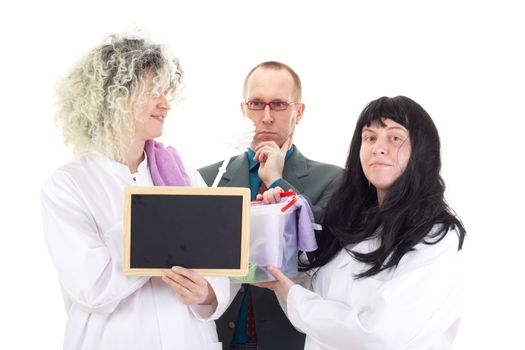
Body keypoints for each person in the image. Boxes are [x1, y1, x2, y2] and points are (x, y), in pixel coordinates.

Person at [41, 34, 231, 350]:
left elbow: (218, 266)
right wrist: (161, 223)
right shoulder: (69, 185)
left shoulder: (182, 177)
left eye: (166, 92)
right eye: (152, 92)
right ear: (112, 97)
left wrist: (208, 293)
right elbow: (92, 286)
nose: (166, 104)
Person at [259, 96, 466, 349]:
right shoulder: (357, 225)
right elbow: (318, 294)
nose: (378, 147)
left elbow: (377, 335)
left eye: (395, 137)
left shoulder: (434, 235)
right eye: (369, 137)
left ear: (421, 151)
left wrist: (291, 293)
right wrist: (281, 232)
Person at [199, 61, 342, 349]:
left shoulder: (334, 180)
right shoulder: (205, 179)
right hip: (214, 336)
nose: (265, 117)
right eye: (256, 104)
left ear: (298, 112)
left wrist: (277, 181)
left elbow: (321, 248)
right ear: (243, 109)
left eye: (278, 104)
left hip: (288, 337)